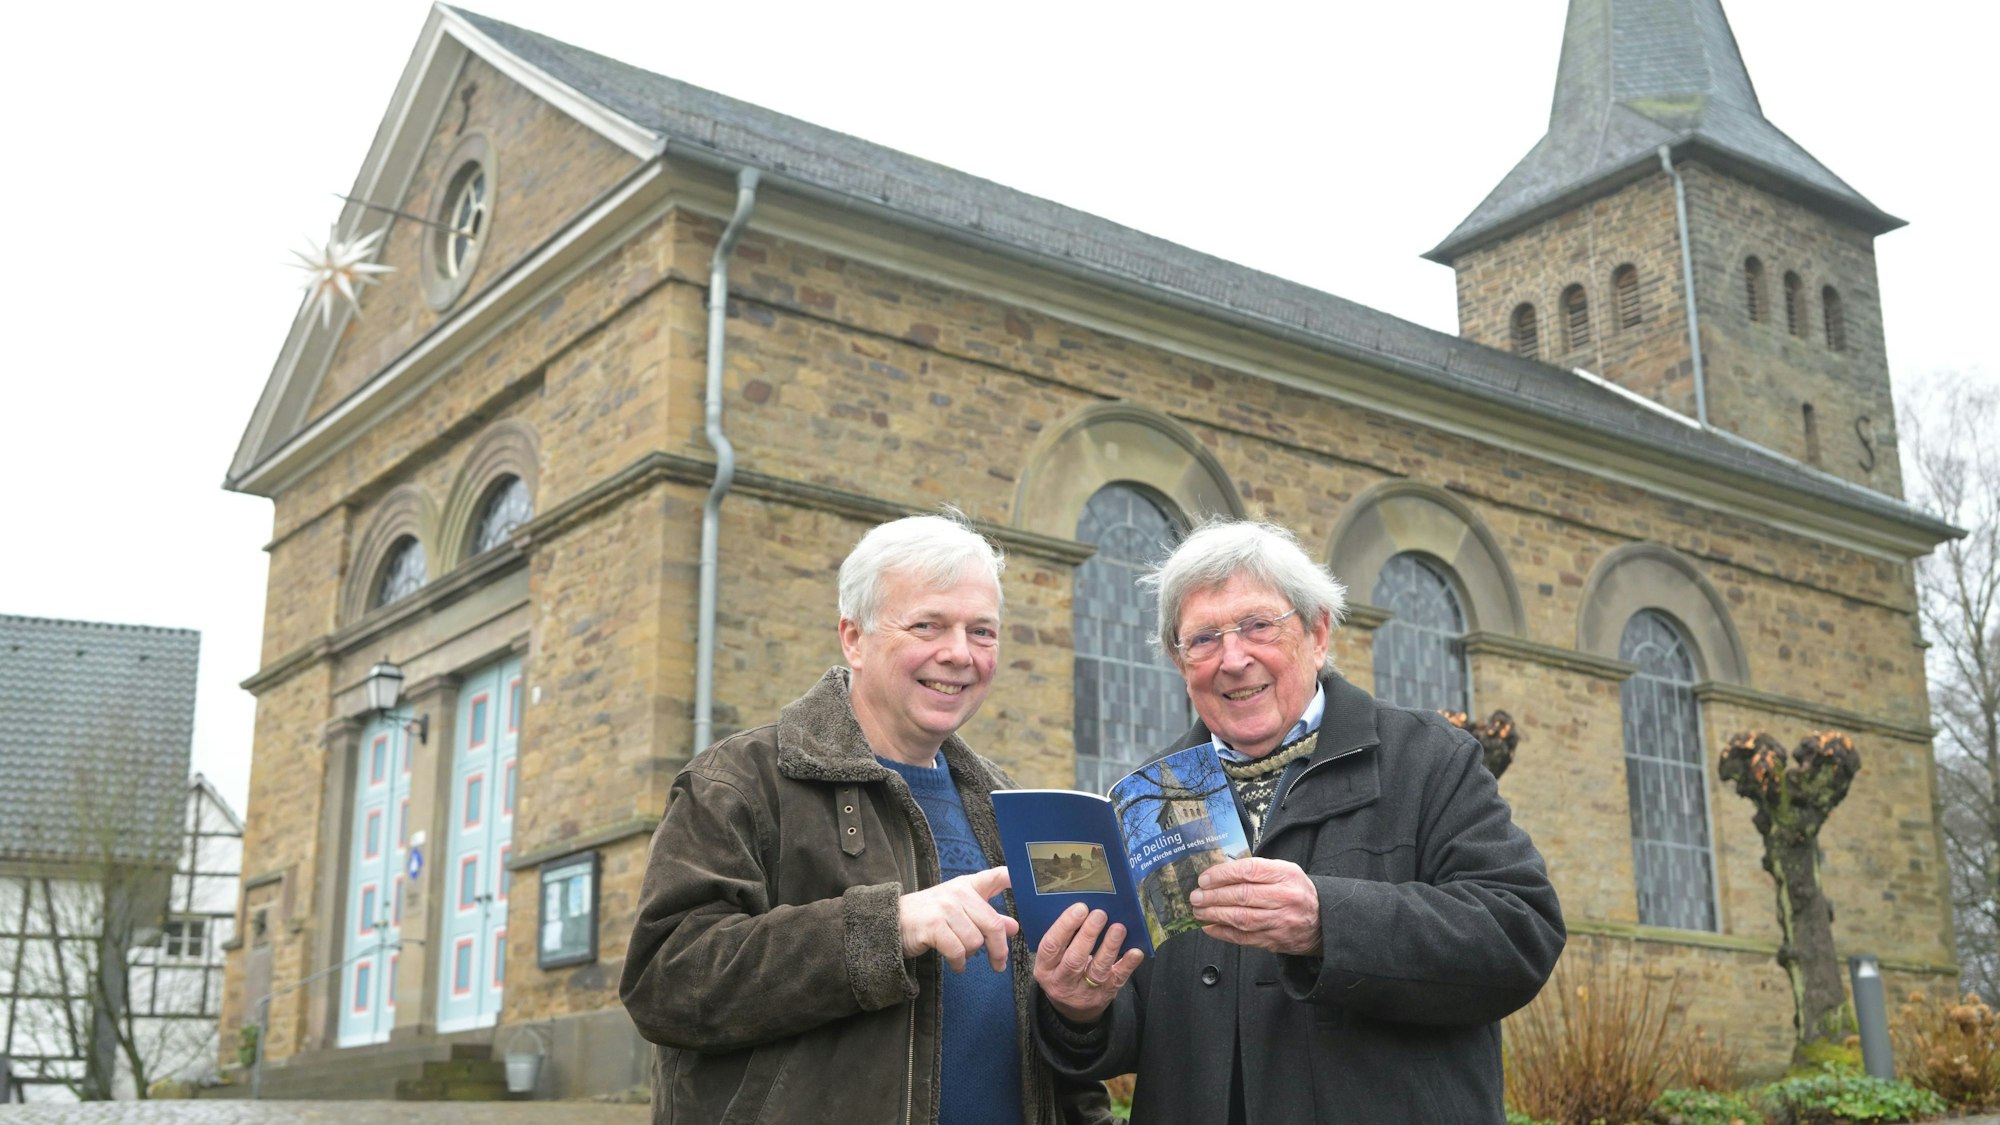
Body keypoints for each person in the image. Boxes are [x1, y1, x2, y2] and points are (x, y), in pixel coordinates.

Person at [1031, 519, 1565, 1124]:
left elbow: (1520, 933)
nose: (1233, 659)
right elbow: (1133, 1022)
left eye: (1258, 625)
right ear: (1180, 664)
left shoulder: (1428, 757)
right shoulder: (1150, 796)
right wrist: (1079, 1008)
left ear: (1316, 633)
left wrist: (1325, 923)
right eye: (1202, 639)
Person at [621, 513, 1111, 1125]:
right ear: (854, 637)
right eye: (928, 624)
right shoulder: (740, 780)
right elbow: (667, 983)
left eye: (981, 631)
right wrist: (889, 927)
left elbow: (1057, 1044)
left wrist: (1079, 1011)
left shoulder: (1012, 807)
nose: (958, 653)